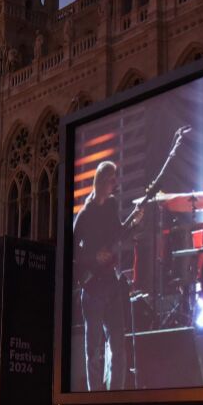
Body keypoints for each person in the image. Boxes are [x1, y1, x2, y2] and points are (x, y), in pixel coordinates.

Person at [73, 160, 144, 390]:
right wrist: (94, 258)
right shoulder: (84, 215)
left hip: (112, 284)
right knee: (94, 351)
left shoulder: (112, 205)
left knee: (118, 345)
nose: (115, 184)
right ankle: (95, 398)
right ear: (102, 181)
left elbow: (118, 234)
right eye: (112, 179)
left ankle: (115, 395)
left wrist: (134, 222)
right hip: (93, 288)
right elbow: (72, 252)